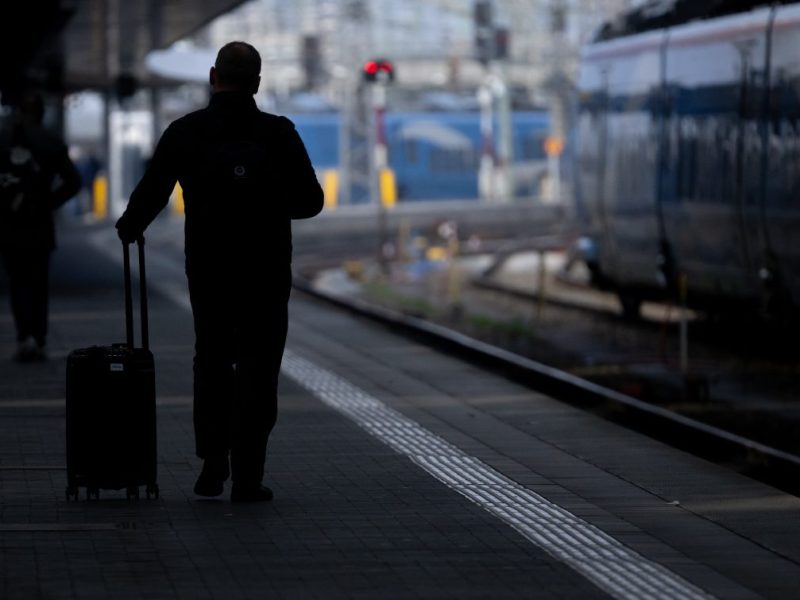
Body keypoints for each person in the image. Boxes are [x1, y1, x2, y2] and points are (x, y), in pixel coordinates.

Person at [115, 41, 324, 502]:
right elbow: (311, 201)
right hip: (266, 269)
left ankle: (212, 463)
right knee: (258, 367)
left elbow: (153, 191)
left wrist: (130, 226)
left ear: (213, 77)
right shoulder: (278, 133)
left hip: (209, 268)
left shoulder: (186, 131)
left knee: (211, 359)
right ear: (257, 83)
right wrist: (268, 204)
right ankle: (248, 477)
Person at [0, 91, 82, 362]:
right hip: (39, 224)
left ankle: (23, 337)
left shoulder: (3, 141)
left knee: (17, 282)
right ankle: (39, 337)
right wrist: (49, 202)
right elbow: (73, 181)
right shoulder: (51, 142)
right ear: (41, 114)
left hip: (9, 224)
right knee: (38, 282)